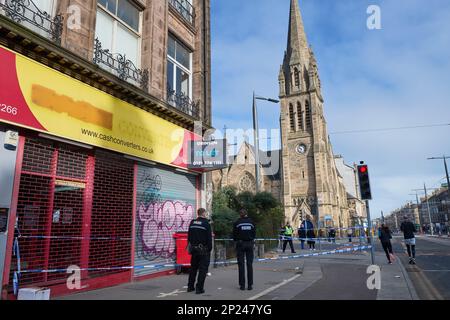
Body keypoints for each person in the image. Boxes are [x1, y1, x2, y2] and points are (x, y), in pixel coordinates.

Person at [187, 208, 212, 294]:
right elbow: (209, 238)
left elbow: (189, 236)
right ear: (203, 213)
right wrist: (209, 249)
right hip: (203, 250)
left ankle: (190, 287)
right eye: (205, 213)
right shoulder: (206, 223)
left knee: (193, 268)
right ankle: (199, 288)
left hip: (194, 249)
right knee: (202, 269)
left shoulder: (192, 222)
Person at [233, 209, 256, 291]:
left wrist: (236, 241)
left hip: (240, 244)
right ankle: (250, 285)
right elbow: (254, 234)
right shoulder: (251, 222)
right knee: (249, 264)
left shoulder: (237, 223)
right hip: (250, 244)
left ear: (240, 214)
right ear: (246, 214)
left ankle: (242, 285)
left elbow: (234, 235)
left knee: (241, 265)